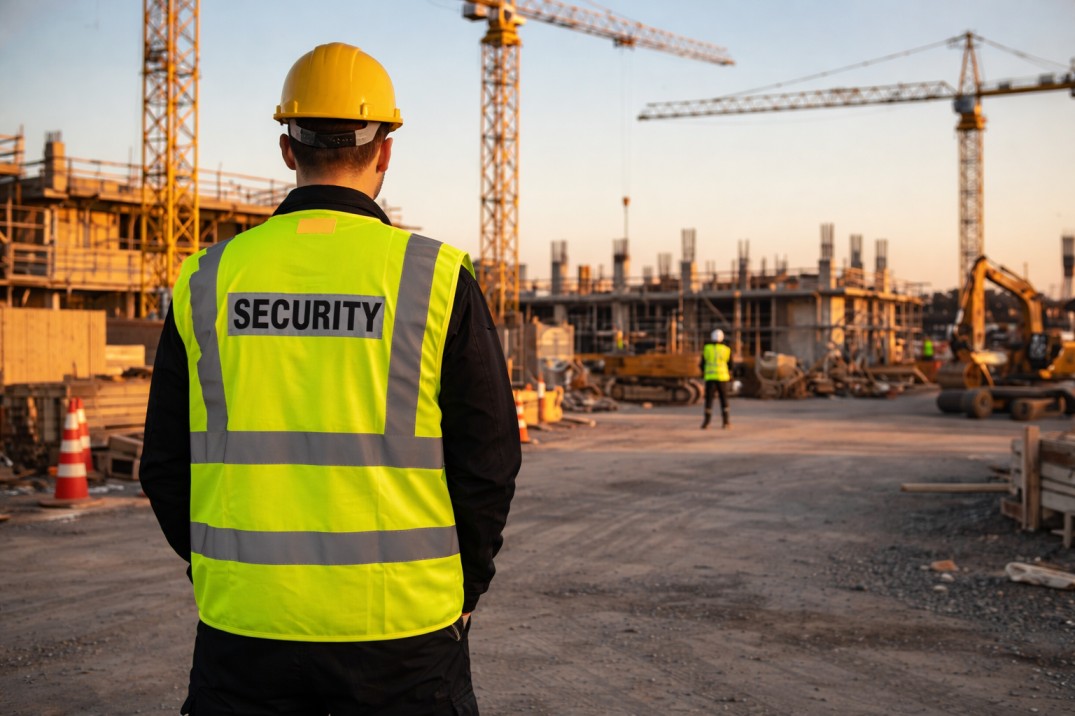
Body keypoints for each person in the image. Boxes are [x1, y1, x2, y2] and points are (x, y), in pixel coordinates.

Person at [140, 42, 520, 716]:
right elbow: (488, 459)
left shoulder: (207, 278)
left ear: (288, 149)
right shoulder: (433, 277)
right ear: (385, 152)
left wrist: (220, 570)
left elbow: (164, 463)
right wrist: (465, 587)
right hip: (403, 631)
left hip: (246, 629)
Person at [700, 328, 732, 429]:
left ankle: (706, 423)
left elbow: (702, 364)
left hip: (710, 378)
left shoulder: (707, 348)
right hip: (722, 378)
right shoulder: (726, 349)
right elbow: (731, 365)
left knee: (709, 400)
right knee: (724, 400)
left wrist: (704, 372)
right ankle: (726, 422)